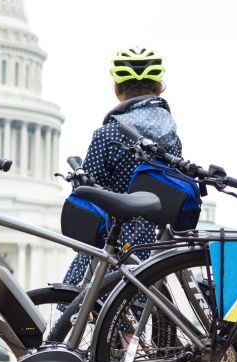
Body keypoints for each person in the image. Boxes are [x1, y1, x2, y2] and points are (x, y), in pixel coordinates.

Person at [63, 48, 183, 285]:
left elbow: (88, 194)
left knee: (76, 304)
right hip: (155, 249)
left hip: (113, 242)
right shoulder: (172, 137)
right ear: (159, 88)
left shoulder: (107, 134)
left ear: (118, 89)